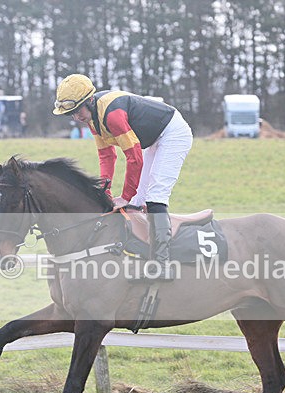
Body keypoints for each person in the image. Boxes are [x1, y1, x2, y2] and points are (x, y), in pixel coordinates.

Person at [52, 74, 193, 281]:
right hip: (154, 139)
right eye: (70, 114)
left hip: (172, 134)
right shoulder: (93, 119)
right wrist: (105, 192)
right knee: (137, 203)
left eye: (77, 111)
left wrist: (125, 195)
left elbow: (134, 158)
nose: (76, 118)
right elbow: (107, 156)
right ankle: (142, 257)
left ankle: (163, 264)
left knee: (154, 197)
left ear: (89, 101)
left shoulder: (112, 116)